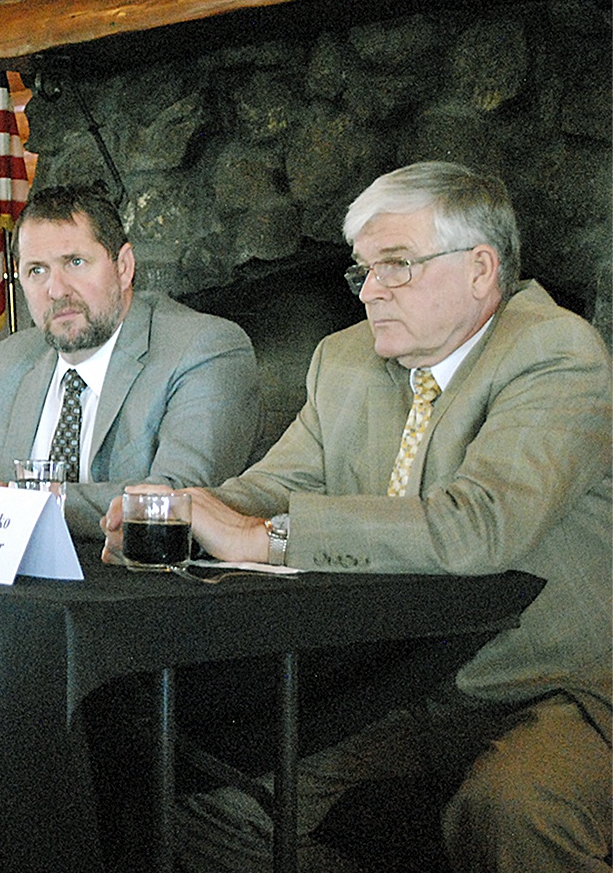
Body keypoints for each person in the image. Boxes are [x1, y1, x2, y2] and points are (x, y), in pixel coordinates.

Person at [102, 162, 611, 872]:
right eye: (364, 270)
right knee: (209, 796)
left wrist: (262, 539)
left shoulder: (554, 352)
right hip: (396, 681)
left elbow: (482, 524)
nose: (370, 291)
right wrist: (184, 512)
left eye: (396, 266)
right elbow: (273, 484)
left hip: (547, 684)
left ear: (479, 268)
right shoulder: (343, 359)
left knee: (511, 807)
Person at [0, 184, 260, 539]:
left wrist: (16, 501)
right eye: (36, 271)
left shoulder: (201, 349)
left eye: (75, 263)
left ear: (124, 267)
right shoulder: (9, 360)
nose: (56, 289)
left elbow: (174, 503)